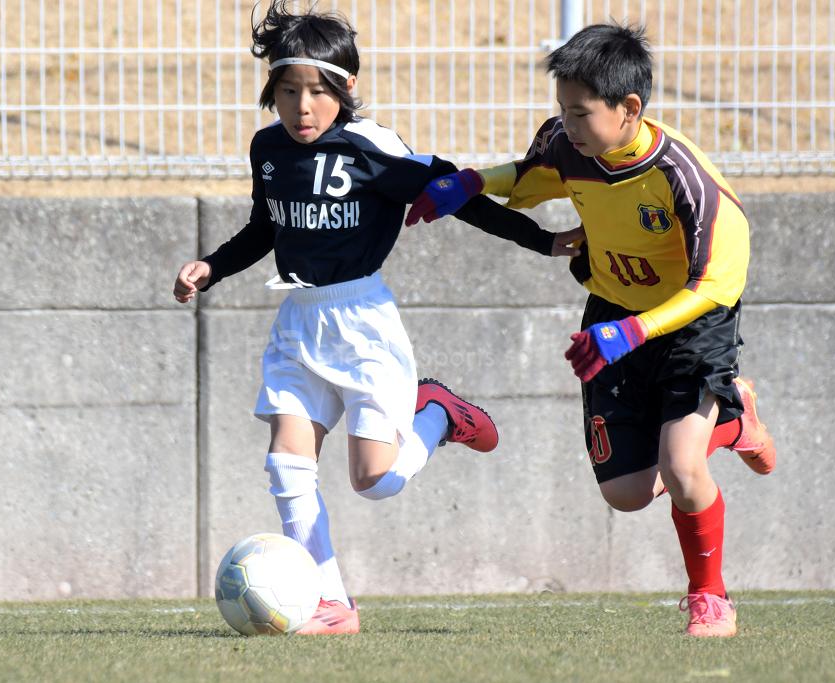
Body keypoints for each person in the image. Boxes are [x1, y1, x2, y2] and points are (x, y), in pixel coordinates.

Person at [173, 1, 581, 635]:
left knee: (376, 480)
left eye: (316, 92)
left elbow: (457, 194)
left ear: (346, 89)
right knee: (286, 464)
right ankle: (331, 604)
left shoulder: (374, 148)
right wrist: (212, 267)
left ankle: (438, 412)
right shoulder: (268, 148)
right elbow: (264, 229)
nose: (301, 106)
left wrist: (543, 240)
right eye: (286, 91)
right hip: (298, 323)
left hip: (361, 323)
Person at [404, 23, 777, 638]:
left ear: (630, 109)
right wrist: (473, 182)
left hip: (688, 324)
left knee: (682, 471)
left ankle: (710, 598)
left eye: (580, 113)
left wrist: (635, 332)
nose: (567, 126)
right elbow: (528, 183)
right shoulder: (568, 145)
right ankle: (735, 423)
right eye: (562, 110)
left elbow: (717, 287)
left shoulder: (687, 180)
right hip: (611, 315)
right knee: (627, 493)